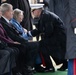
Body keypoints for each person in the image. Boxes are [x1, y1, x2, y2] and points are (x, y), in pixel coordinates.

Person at [0, 3, 39, 75]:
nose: (12, 13)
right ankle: (21, 69)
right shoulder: (3, 22)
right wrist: (15, 42)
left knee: (35, 45)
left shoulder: (8, 22)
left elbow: (12, 35)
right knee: (21, 48)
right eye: (11, 11)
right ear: (7, 12)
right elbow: (10, 36)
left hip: (12, 42)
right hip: (8, 43)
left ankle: (26, 67)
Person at [30, 3, 67, 71]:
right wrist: (29, 34)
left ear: (38, 10)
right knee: (44, 45)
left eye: (33, 11)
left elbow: (49, 30)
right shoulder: (44, 15)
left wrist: (43, 38)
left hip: (58, 37)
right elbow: (40, 29)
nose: (32, 13)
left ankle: (49, 66)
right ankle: (63, 63)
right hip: (57, 36)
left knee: (42, 45)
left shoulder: (46, 16)